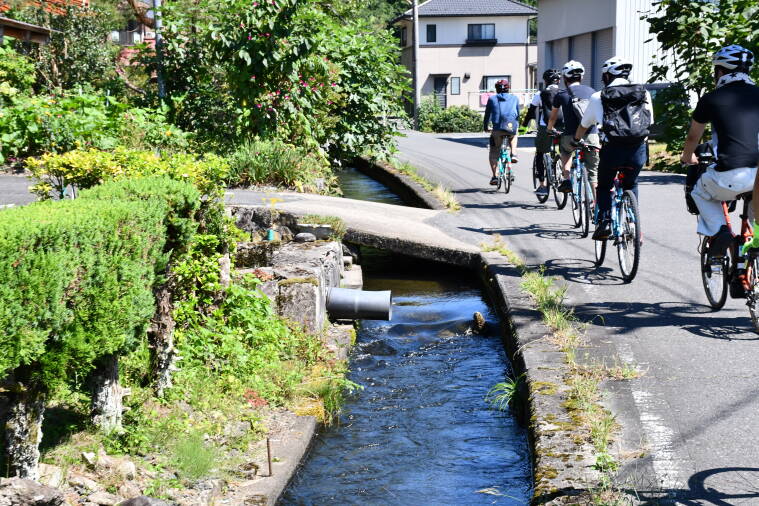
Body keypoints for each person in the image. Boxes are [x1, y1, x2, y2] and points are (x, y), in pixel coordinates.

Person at [681, 45, 759, 256]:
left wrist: (687, 157)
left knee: (700, 191)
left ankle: (719, 230)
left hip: (730, 176)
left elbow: (693, 137)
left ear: (721, 71)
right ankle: (752, 259)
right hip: (758, 176)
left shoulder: (711, 98)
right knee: (756, 217)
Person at [573, 56, 654, 240]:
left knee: (604, 185)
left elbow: (584, 124)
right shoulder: (644, 93)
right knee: (631, 184)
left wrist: (576, 140)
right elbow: (650, 121)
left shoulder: (598, 96)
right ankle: (634, 225)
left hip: (613, 149)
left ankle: (606, 221)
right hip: (638, 149)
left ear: (607, 75)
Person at [546, 60, 600, 195]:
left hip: (570, 136)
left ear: (565, 78)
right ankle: (596, 204)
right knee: (593, 174)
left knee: (565, 150)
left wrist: (549, 129)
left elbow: (553, 118)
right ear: (581, 77)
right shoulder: (592, 92)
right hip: (591, 135)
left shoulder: (561, 94)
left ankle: (567, 178)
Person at [524, 69, 562, 197]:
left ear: (545, 81)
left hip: (545, 126)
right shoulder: (564, 92)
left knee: (540, 153)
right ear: (558, 81)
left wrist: (524, 126)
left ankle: (542, 185)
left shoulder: (540, 94)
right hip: (563, 127)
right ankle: (565, 175)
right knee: (565, 152)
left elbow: (531, 111)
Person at [484, 79, 520, 186]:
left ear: (496, 89)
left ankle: (495, 176)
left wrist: (486, 127)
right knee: (514, 135)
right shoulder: (515, 98)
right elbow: (518, 114)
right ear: (508, 88)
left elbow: (487, 115)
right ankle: (513, 154)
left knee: (494, 152)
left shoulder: (492, 99)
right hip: (511, 127)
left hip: (497, 128)